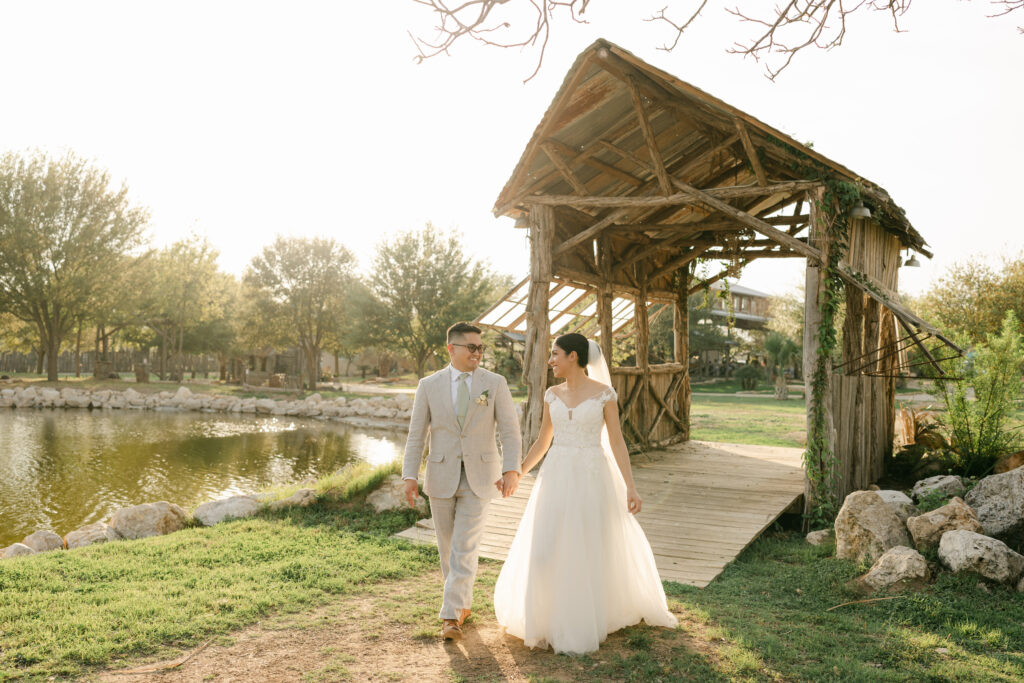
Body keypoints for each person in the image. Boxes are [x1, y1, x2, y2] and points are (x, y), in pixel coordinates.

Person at [493, 333, 677, 655]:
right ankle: (548, 614)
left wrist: (631, 486)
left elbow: (618, 442)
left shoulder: (605, 395)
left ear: (574, 357)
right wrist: (518, 472)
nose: (551, 361)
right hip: (556, 476)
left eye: (555, 354)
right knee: (547, 545)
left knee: (590, 544)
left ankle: (589, 615)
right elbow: (542, 442)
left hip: (593, 475)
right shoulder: (552, 394)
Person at [402, 322, 523, 641]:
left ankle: (450, 617)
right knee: (447, 548)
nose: (478, 353)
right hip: (440, 475)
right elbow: (417, 434)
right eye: (472, 347)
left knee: (464, 545)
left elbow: (510, 430)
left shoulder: (494, 383)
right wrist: (410, 475)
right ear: (451, 349)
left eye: (481, 348)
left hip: (482, 477)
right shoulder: (428, 385)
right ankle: (461, 604)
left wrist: (512, 469)